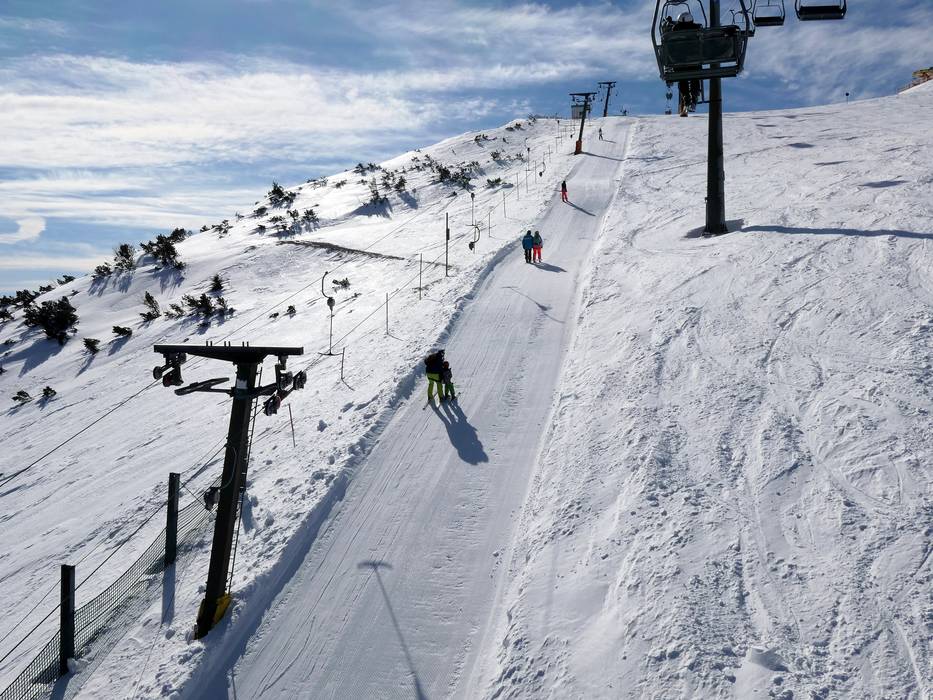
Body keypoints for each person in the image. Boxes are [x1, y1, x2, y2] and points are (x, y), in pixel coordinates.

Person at [671, 11, 702, 117]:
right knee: (695, 76)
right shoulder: (697, 29)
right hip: (695, 63)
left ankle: (686, 98)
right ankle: (694, 97)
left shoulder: (675, 30)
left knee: (682, 78)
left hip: (680, 65)